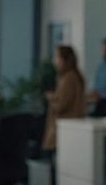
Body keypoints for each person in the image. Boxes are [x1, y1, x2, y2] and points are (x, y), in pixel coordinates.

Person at [41, 45, 85, 183]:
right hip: (68, 128)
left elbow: (61, 105)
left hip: (64, 128)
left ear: (65, 59)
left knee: (60, 170)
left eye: (57, 57)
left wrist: (51, 97)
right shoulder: (70, 76)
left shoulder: (69, 77)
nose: (55, 60)